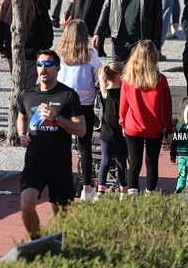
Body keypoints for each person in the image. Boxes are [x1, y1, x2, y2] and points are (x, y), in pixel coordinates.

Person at [17, 49, 85, 238]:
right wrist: (22, 134)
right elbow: (21, 117)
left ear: (57, 68)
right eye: (39, 65)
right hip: (34, 162)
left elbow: (81, 130)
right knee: (27, 204)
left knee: (62, 215)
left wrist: (57, 119)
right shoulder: (27, 94)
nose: (42, 69)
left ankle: (57, 247)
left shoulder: (68, 96)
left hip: (60, 163)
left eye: (47, 65)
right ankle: (37, 242)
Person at [56, 20, 103, 201]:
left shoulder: (59, 54)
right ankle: (87, 187)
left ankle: (64, 182)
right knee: (85, 147)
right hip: (84, 104)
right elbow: (99, 76)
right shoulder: (90, 55)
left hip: (63, 103)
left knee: (62, 146)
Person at [119, 39, 172, 195]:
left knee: (134, 162)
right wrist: (167, 127)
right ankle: (150, 193)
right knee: (152, 162)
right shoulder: (160, 80)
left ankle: (132, 194)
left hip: (132, 126)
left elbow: (123, 105)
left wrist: (122, 122)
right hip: (154, 127)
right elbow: (166, 108)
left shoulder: (128, 78)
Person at [0, 0, 55, 90]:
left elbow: (0, 28)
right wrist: (45, 48)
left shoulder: (8, 2)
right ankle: (23, 106)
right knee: (28, 86)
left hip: (12, 51)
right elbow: (47, 30)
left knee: (16, 83)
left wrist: (1, 47)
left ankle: (18, 104)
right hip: (32, 53)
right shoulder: (37, 4)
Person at [96, 63, 127, 195]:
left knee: (105, 160)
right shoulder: (122, 92)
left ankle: (100, 188)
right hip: (121, 132)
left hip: (106, 132)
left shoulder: (103, 91)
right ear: (118, 75)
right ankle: (123, 189)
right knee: (121, 162)